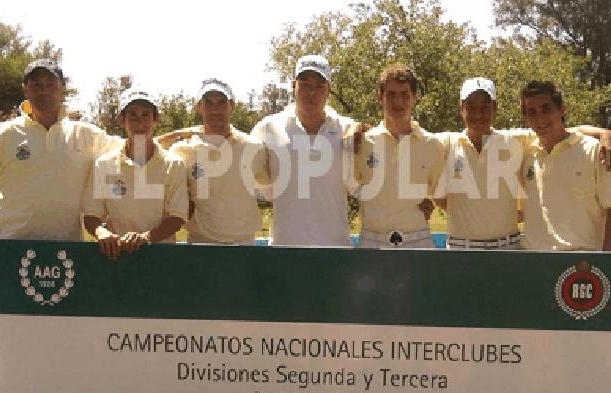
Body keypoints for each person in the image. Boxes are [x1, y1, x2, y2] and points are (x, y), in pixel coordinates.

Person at [434, 77, 611, 250]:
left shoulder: (516, 141)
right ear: (461, 109)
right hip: (514, 255)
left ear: (495, 109)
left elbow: (562, 130)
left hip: (556, 257)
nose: (478, 114)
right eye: (471, 107)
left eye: (485, 107)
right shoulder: (447, 142)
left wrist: (604, 133)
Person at [0, 58, 123, 240]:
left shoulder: (85, 134)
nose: (43, 90)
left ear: (63, 89)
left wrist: (163, 140)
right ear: (25, 89)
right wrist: (1, 217)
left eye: (50, 84)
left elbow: (133, 149)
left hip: (67, 249)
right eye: (36, 84)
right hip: (12, 247)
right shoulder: (4, 133)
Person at [249, 54, 358, 246]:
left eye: (319, 86)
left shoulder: (349, 129)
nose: (312, 92)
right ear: (293, 86)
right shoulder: (267, 128)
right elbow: (253, 182)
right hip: (285, 249)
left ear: (329, 90)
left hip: (335, 249)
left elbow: (357, 184)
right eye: (305, 84)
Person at [518, 80, 611, 251]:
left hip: (580, 266)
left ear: (561, 109)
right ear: (526, 119)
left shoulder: (596, 150)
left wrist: (608, 260)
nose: (540, 118)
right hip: (533, 261)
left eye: (546, 109)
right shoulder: (525, 152)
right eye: (532, 112)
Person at [82, 89, 188, 259]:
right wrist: (101, 233)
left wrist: (145, 238)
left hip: (161, 258)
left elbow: (177, 217)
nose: (140, 123)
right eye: (133, 115)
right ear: (121, 120)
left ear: (156, 120)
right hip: (115, 257)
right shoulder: (104, 164)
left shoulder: (174, 165)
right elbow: (91, 215)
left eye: (146, 115)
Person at [352, 64, 446, 248]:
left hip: (418, 242)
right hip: (372, 243)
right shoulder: (361, 142)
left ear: (415, 97)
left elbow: (442, 195)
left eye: (405, 94)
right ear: (380, 97)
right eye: (391, 94)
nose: (398, 102)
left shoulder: (432, 145)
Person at [167, 79, 270, 245]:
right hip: (200, 244)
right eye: (208, 103)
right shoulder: (181, 151)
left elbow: (269, 186)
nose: (215, 109)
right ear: (198, 106)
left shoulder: (254, 147)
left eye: (221, 102)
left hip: (245, 245)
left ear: (231, 106)